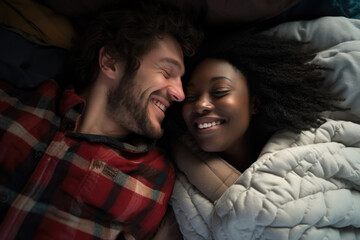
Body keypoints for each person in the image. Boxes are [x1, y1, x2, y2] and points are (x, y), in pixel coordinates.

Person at [0, 1, 202, 239]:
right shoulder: (16, 104)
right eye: (167, 72)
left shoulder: (154, 179)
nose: (179, 94)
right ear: (111, 62)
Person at [166, 29, 360, 239]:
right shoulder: (176, 184)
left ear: (254, 104)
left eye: (219, 91)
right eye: (192, 96)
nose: (201, 104)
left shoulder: (308, 144)